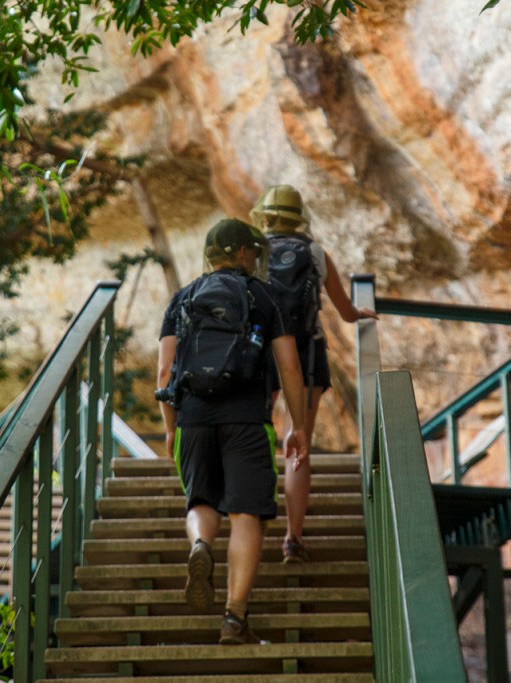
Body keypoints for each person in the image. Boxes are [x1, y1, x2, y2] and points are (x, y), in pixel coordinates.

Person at [155, 218, 309, 645]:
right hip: (247, 417)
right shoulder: (262, 296)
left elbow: (165, 371)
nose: (257, 259)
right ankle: (234, 618)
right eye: (254, 252)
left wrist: (171, 429)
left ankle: (201, 545)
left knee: (202, 500)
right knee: (246, 514)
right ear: (242, 252)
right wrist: (297, 426)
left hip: (192, 416)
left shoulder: (182, 299)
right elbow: (290, 366)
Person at [250, 184, 378, 563]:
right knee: (297, 446)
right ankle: (292, 538)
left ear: (266, 217)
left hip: (259, 353)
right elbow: (345, 310)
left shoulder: (252, 254)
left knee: (255, 438)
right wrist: (361, 314)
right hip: (305, 354)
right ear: (299, 219)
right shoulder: (316, 254)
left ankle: (248, 525)